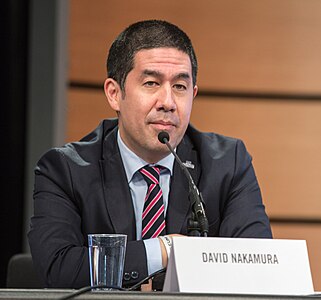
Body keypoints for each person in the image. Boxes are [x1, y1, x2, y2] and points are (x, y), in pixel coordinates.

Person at [28, 20, 272, 290]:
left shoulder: (228, 163)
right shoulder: (65, 170)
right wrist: (167, 247)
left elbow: (257, 270)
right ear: (114, 93)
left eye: (180, 87)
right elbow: (59, 268)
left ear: (193, 94)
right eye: (151, 83)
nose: (167, 102)